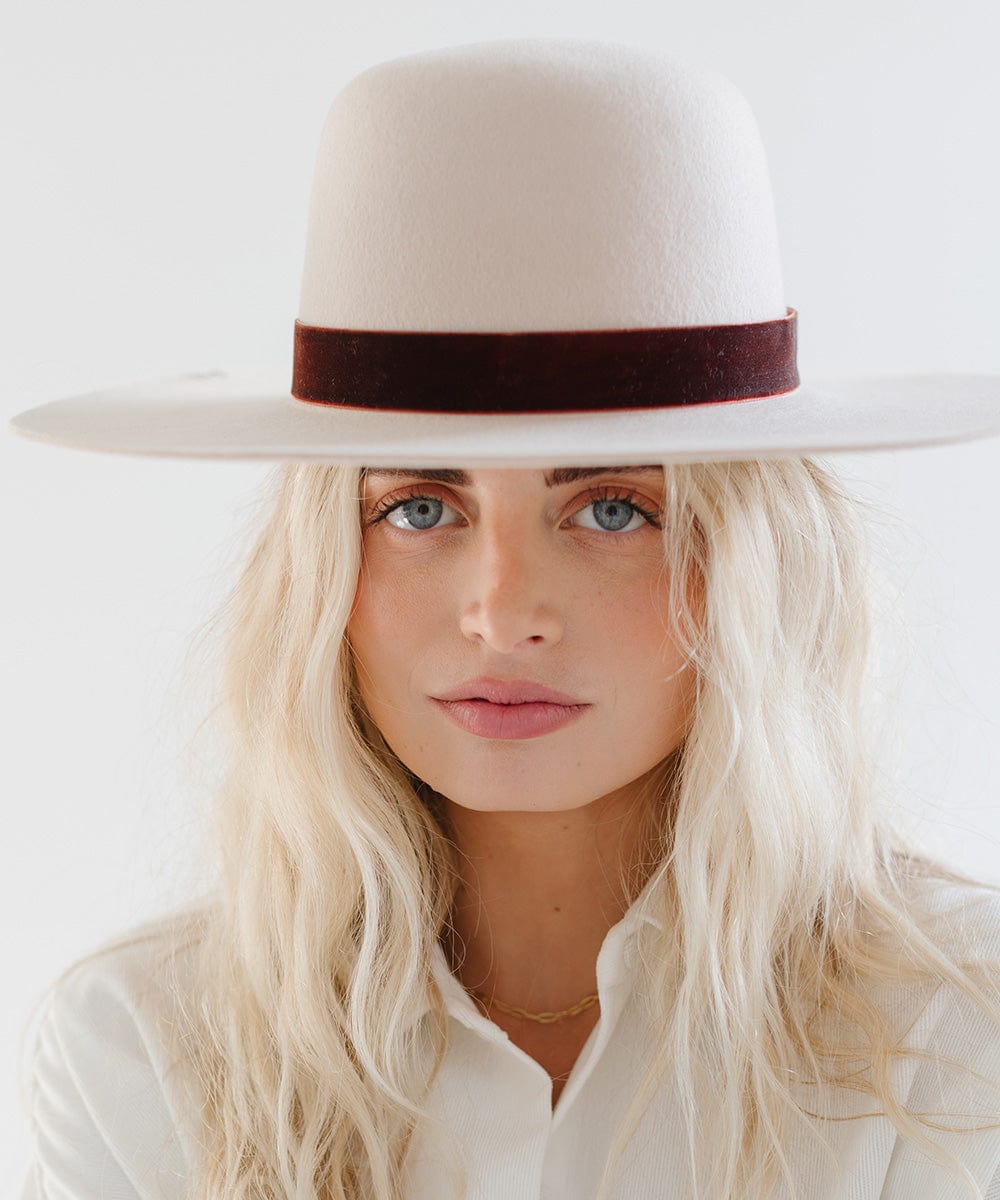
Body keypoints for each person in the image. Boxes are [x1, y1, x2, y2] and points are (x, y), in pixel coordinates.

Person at [11, 37, 1000, 1200]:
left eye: (614, 510)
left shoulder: (953, 1030)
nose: (502, 613)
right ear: (320, 570)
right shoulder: (144, 1049)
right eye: (420, 508)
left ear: (756, 567)